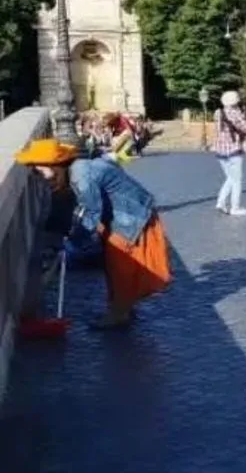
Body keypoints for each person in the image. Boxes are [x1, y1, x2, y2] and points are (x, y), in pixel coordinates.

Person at [15, 138, 171, 329]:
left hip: (129, 215)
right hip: (119, 214)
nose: (41, 178)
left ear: (56, 165)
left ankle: (119, 314)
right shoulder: (73, 171)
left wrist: (72, 241)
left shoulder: (82, 175)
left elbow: (91, 212)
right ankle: (122, 308)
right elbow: (68, 205)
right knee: (114, 266)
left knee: (121, 265)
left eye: (40, 172)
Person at [214, 90, 246, 216]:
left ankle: (221, 202)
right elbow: (245, 128)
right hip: (233, 149)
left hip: (220, 150)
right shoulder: (236, 113)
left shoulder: (218, 113)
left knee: (230, 177)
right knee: (237, 180)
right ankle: (235, 208)